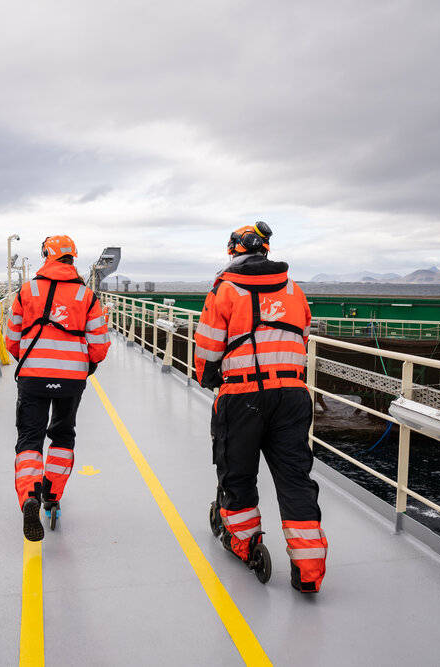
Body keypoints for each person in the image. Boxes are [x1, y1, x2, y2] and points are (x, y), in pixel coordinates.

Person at [193, 222, 327, 593]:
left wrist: (208, 378)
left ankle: (244, 543)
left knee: (237, 473)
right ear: (266, 251)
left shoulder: (224, 289)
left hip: (243, 396)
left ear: (234, 251)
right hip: (293, 394)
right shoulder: (293, 288)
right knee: (295, 478)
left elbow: (207, 347)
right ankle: (309, 570)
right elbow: (302, 334)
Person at [4, 234, 110, 542]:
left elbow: (11, 336)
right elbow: (100, 345)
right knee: (63, 434)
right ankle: (52, 495)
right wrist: (85, 365)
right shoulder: (86, 296)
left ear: (46, 255)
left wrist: (27, 359)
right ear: (73, 259)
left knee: (29, 437)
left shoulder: (28, 291)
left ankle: (29, 498)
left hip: (33, 377)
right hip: (71, 380)